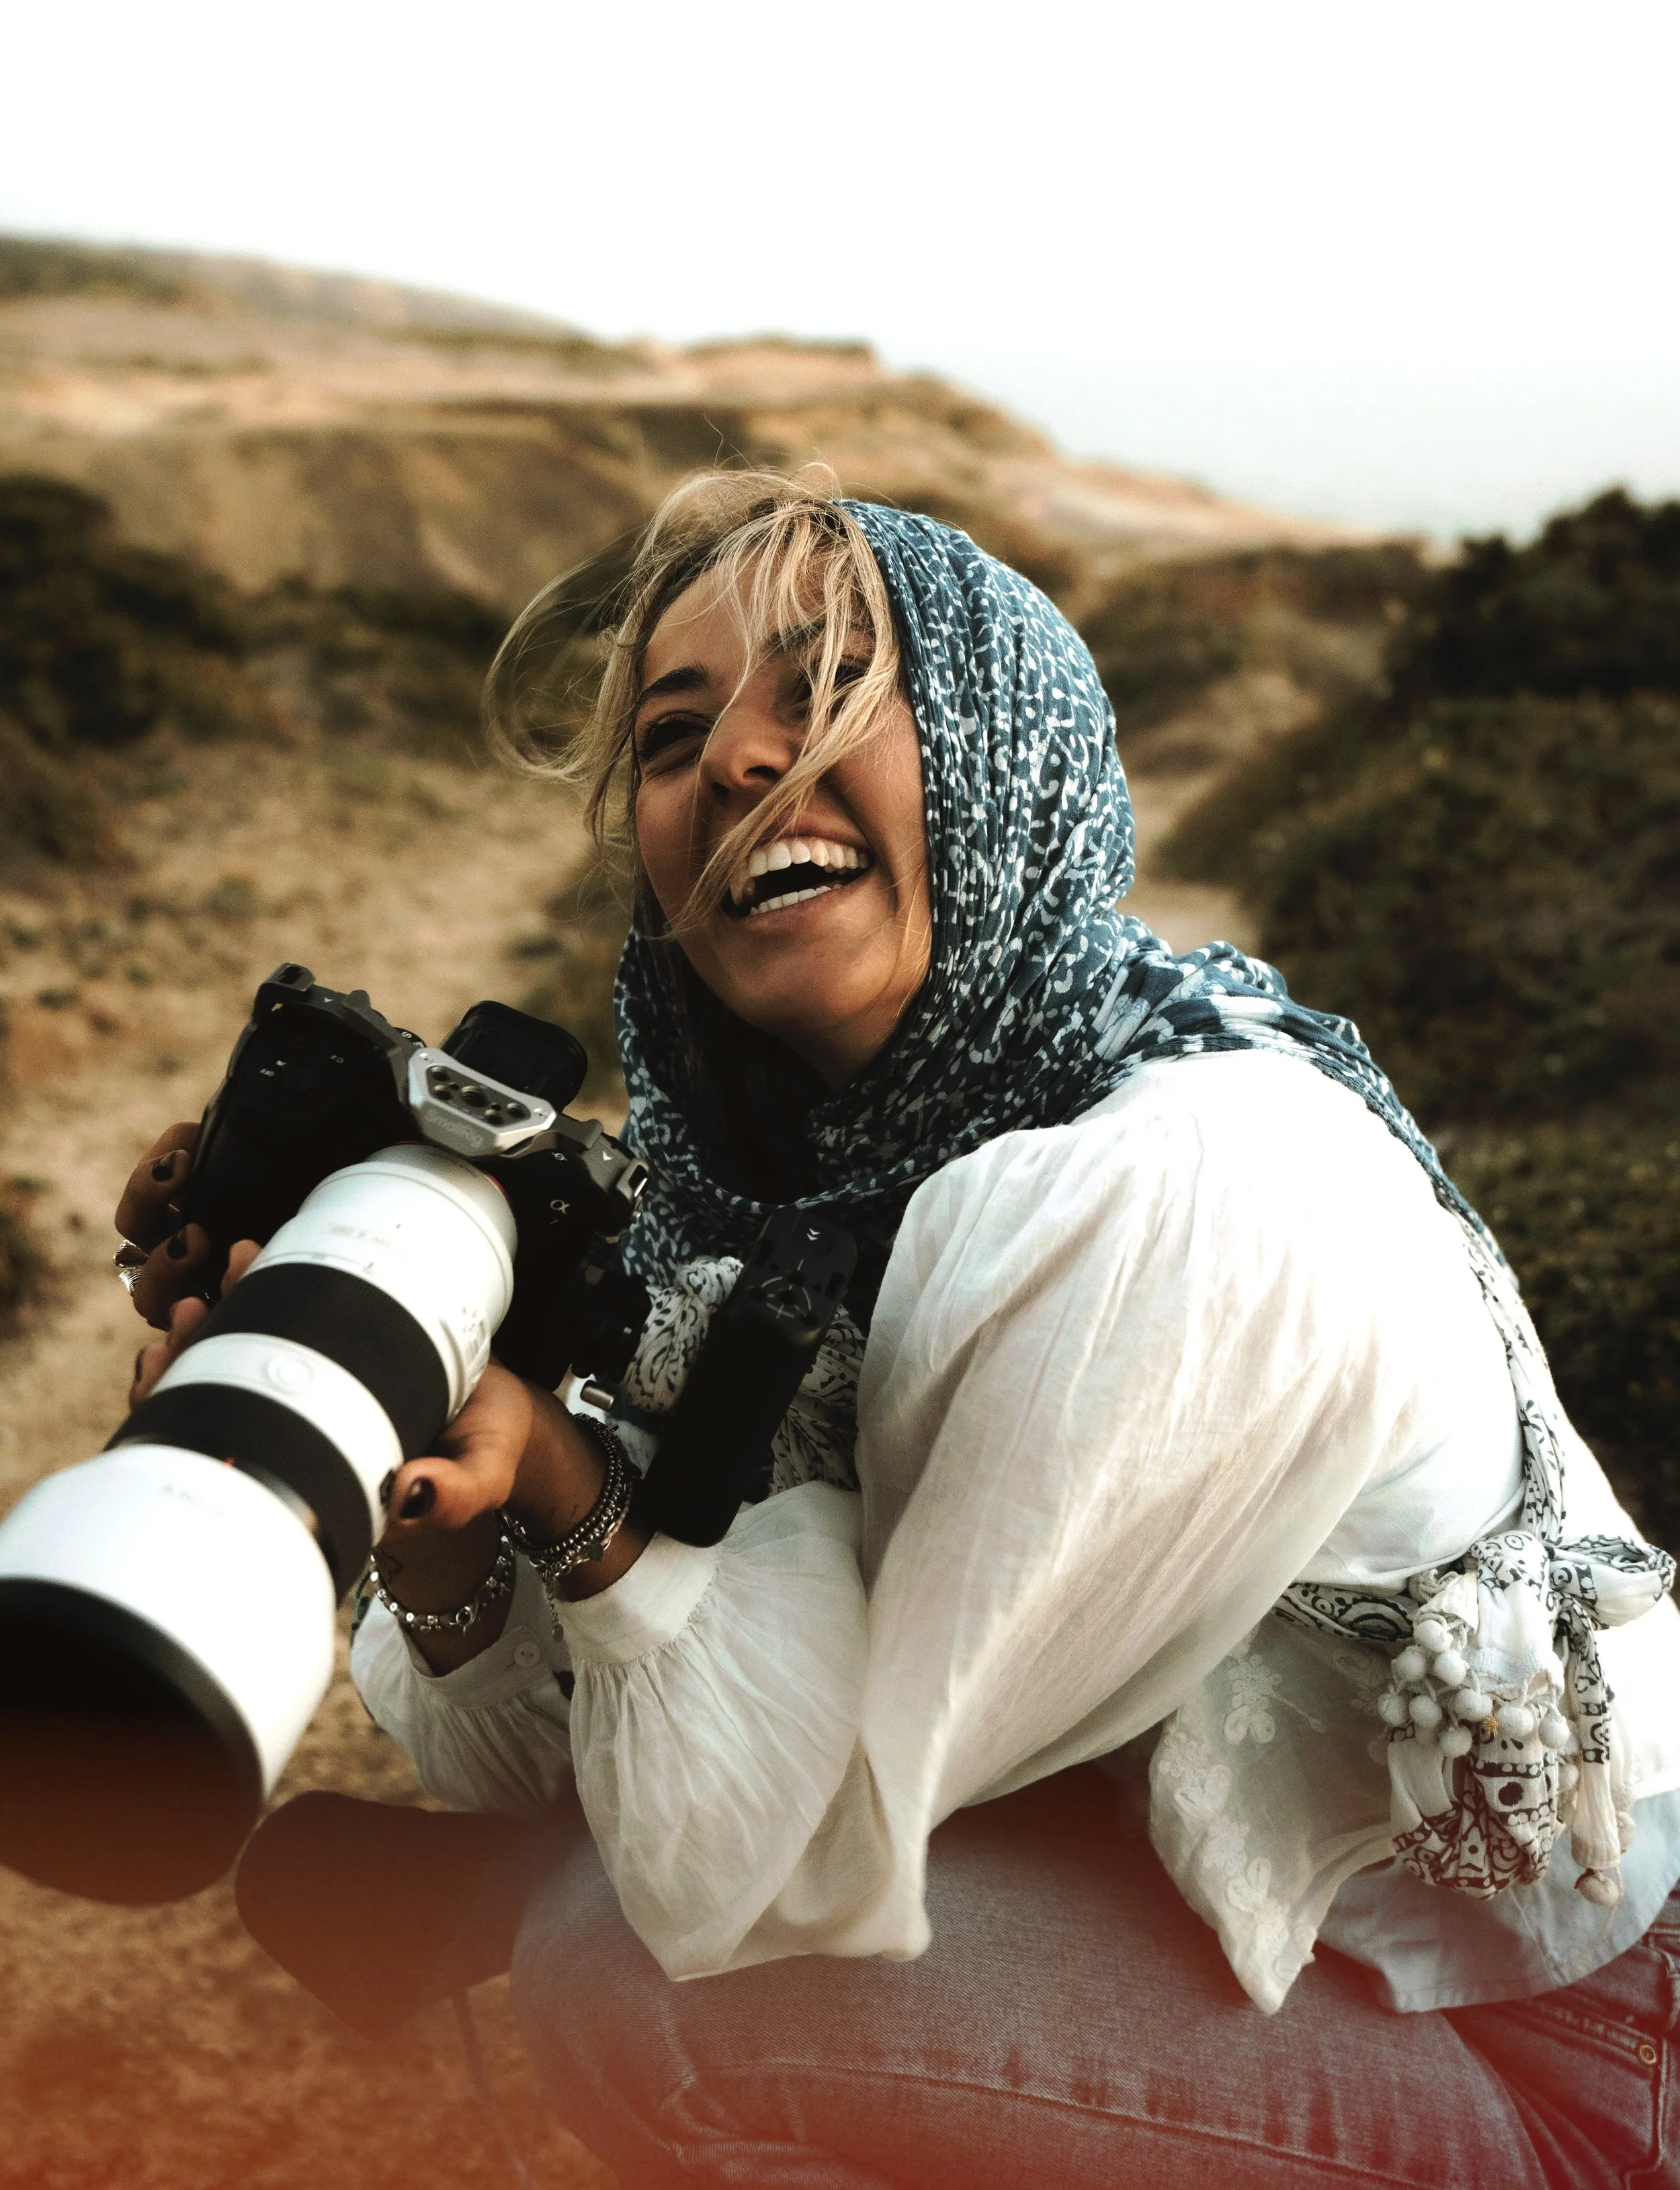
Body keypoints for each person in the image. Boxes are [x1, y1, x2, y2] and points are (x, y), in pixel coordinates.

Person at [120, 474, 1680, 2187]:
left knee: (640, 1987)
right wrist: (446, 1481)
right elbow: (597, 1702)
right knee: (658, 1750)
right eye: (670, 730)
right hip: (1269, 1924)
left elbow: (778, 1852)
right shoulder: (789, 1183)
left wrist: (579, 1491)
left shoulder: (1180, 1185)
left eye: (829, 684)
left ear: (1002, 746)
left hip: (1575, 2053)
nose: (733, 758)